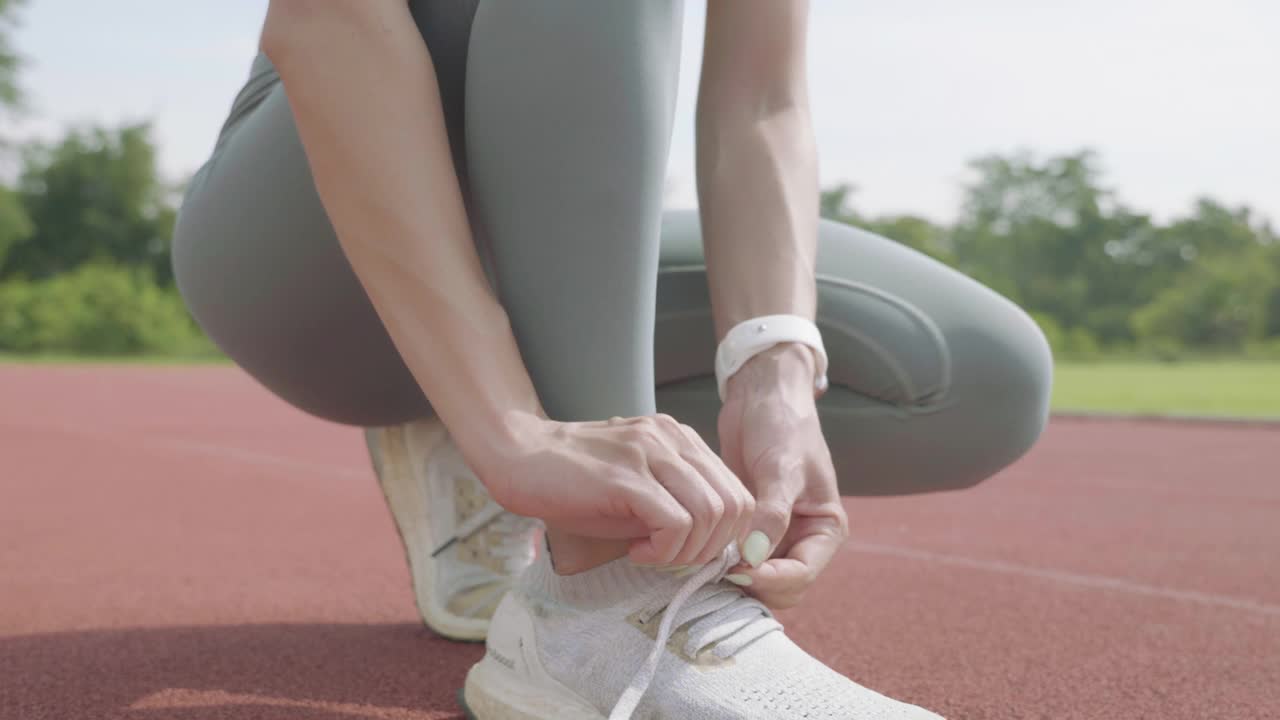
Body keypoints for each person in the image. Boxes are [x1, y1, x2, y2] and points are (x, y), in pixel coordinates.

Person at [171, 1, 1052, 717]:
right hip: (312, 266)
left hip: (545, 240)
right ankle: (599, 592)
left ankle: (533, 432)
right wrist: (509, 429)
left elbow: (762, 99)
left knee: (979, 381)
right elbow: (328, 23)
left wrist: (772, 371)